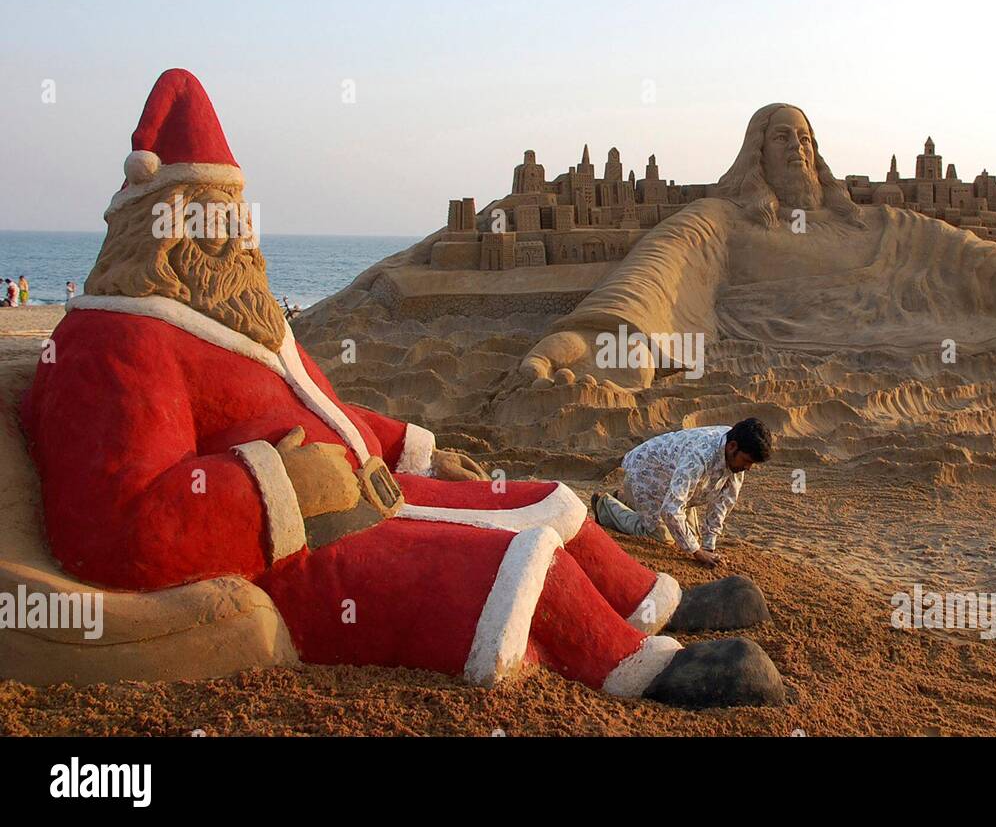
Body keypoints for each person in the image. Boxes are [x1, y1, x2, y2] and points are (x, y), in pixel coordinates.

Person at [21, 68, 783, 707]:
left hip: (366, 488)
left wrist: (418, 450)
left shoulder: (247, 324)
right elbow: (119, 529)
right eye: (212, 220)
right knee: (521, 560)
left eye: (234, 219)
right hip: (300, 549)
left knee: (551, 497)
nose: (235, 240)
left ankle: (661, 601)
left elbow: (328, 413)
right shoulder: (115, 342)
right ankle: (641, 667)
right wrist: (283, 485)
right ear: (159, 222)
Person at [520, 104, 996, 402]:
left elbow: (995, 266)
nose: (799, 149)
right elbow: (661, 270)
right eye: (783, 138)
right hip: (807, 335)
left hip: (902, 291)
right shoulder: (723, 219)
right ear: (756, 154)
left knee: (985, 264)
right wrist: (600, 336)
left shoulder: (882, 223)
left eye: (807, 138)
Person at [592, 418, 772, 568]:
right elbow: (671, 509)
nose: (748, 468)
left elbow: (723, 503)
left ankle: (627, 498)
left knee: (691, 536)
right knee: (662, 537)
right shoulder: (701, 455)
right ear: (732, 447)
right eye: (747, 461)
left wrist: (708, 547)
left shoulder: (734, 454)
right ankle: (606, 506)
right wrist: (697, 553)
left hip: (672, 480)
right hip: (644, 473)